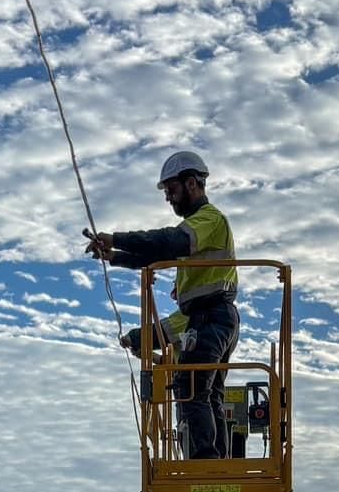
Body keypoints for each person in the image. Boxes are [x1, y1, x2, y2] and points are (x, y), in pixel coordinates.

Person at [84, 150, 238, 458]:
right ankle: (216, 462)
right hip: (214, 319)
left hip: (211, 317)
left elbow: (168, 242)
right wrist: (114, 257)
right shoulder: (200, 231)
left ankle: (206, 465)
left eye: (171, 190)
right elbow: (157, 255)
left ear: (192, 183)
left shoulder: (208, 220)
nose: (168, 198)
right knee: (208, 394)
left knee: (190, 389)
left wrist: (116, 239)